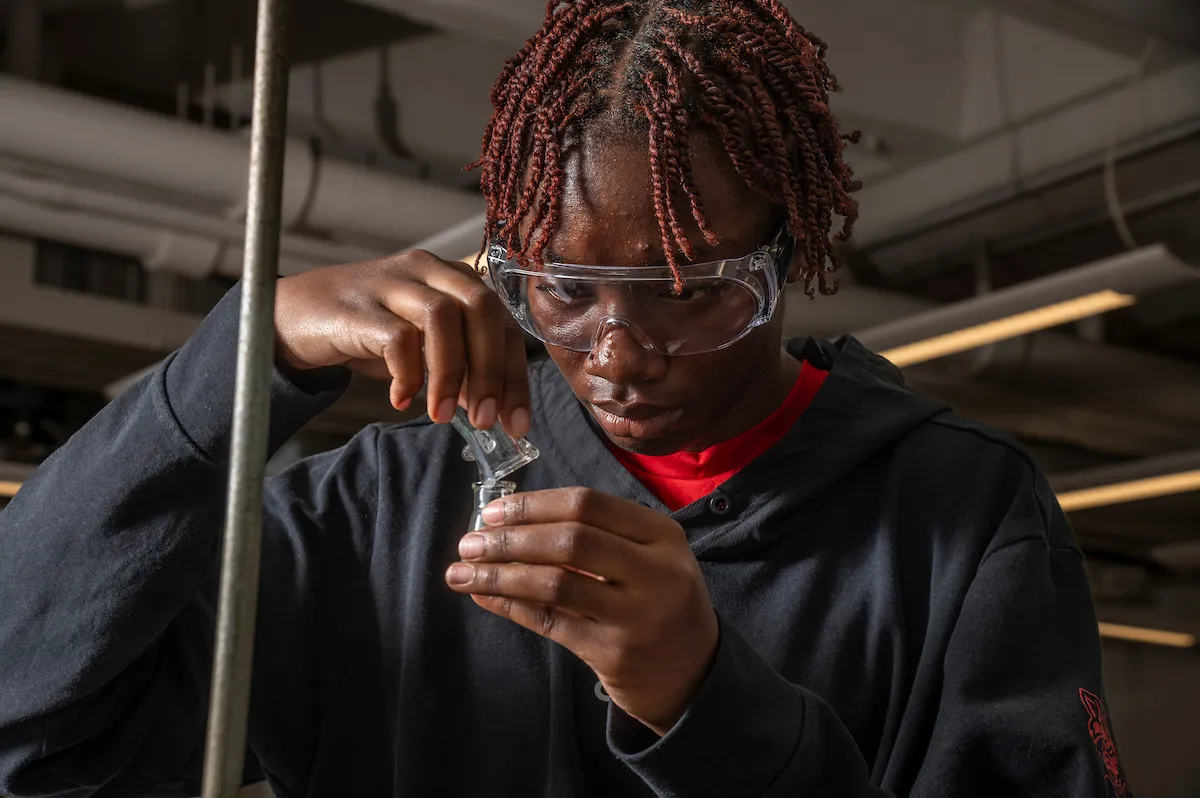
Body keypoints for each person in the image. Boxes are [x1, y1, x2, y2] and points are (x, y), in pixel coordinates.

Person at [0, 1, 1132, 796]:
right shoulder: (375, 513)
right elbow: (28, 730)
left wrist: (707, 705)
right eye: (565, 291)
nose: (619, 354)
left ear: (793, 257)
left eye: (693, 293)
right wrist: (233, 368)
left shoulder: (963, 516)